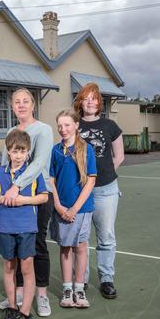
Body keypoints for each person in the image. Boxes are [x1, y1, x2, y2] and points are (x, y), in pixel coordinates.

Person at [0, 88, 54, 317]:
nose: (21, 105)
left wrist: (16, 187)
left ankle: (41, 295)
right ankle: (20, 294)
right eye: (17, 102)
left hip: (36, 196)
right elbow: (4, 164)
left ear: (33, 105)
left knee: (36, 245)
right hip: (12, 197)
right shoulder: (11, 131)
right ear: (13, 107)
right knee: (17, 248)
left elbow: (39, 163)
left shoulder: (44, 130)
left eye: (25, 101)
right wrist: (1, 187)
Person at [0, 129, 48, 319]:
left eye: (22, 151)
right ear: (8, 152)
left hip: (27, 228)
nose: (18, 155)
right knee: (8, 267)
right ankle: (12, 307)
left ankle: (25, 313)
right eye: (15, 151)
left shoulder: (33, 172)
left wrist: (23, 200)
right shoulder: (0, 173)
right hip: (6, 227)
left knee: (27, 268)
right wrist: (4, 198)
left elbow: (44, 197)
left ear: (28, 152)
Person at [74, 83, 125, 299]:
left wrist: (101, 175)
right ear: (80, 102)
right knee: (80, 238)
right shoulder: (74, 125)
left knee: (106, 237)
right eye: (86, 98)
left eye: (94, 98)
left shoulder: (110, 125)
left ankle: (106, 279)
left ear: (99, 102)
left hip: (106, 189)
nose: (91, 102)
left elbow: (119, 156)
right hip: (79, 191)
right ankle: (81, 280)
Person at [50, 109, 97, 308]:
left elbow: (91, 181)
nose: (63, 129)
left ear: (77, 125)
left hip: (82, 208)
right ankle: (67, 289)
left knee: (81, 247)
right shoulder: (55, 150)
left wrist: (75, 209)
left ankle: (79, 288)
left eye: (67, 124)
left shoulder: (87, 150)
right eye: (60, 125)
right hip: (62, 208)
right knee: (65, 247)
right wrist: (59, 206)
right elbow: (50, 180)